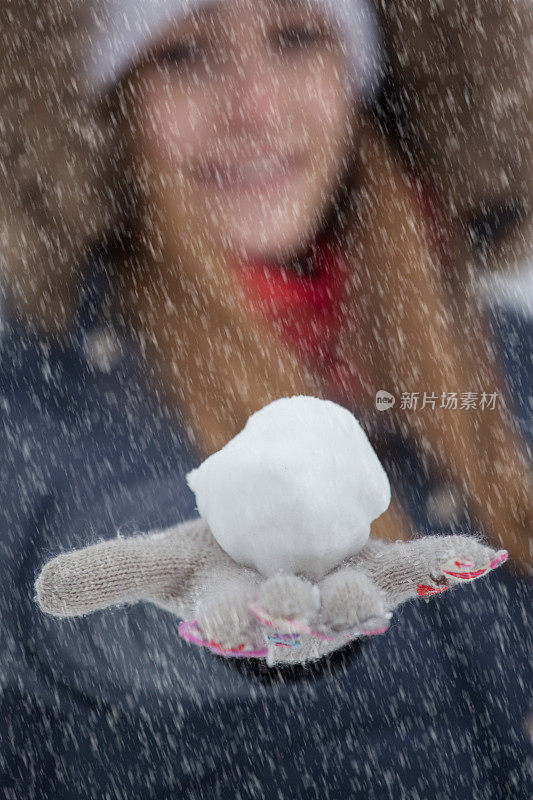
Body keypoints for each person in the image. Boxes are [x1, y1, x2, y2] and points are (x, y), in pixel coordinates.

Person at [0, 0, 531, 797]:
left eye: (297, 36)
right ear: (103, 103)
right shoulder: (39, 416)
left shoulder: (504, 360)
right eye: (181, 55)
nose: (253, 104)